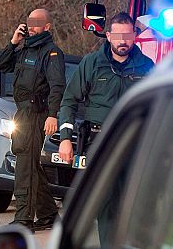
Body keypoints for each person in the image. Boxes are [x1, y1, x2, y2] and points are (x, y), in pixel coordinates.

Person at [0, 8, 66, 231]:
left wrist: (53, 115)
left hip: (37, 114)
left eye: (37, 23)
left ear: (47, 27)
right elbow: (2, 65)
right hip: (22, 113)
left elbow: (57, 87)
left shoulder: (51, 53)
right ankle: (48, 215)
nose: (32, 26)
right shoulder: (24, 48)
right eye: (30, 22)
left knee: (25, 166)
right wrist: (13, 42)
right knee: (30, 166)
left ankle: (23, 219)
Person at [57, 12, 155, 161]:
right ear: (109, 36)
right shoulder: (92, 63)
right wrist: (65, 139)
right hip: (97, 141)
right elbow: (69, 100)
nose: (122, 41)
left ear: (134, 35)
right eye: (117, 36)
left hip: (133, 142)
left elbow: (156, 105)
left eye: (127, 35)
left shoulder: (147, 66)